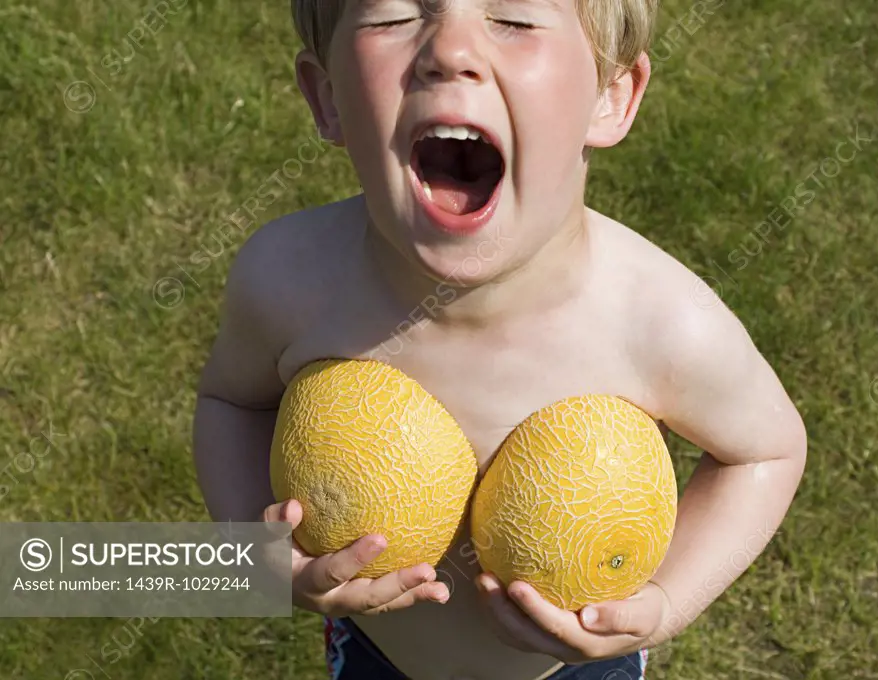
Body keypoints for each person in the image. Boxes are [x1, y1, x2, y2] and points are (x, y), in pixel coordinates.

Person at [192, 0, 807, 678]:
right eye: (394, 16)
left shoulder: (657, 323)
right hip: (375, 653)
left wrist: (664, 603)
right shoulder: (289, 278)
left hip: (574, 665)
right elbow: (233, 402)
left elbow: (765, 453)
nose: (448, 50)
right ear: (328, 95)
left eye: (512, 17)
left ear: (609, 97)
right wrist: (259, 552)